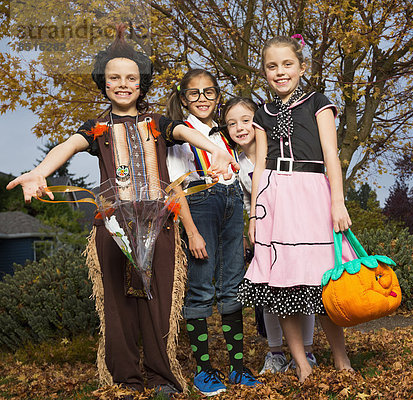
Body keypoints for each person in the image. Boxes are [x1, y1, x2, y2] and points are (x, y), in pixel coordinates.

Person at [6, 27, 239, 398]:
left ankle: (162, 378)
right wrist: (39, 172)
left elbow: (189, 134)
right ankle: (126, 380)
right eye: (114, 77)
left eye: (131, 78)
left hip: (159, 223)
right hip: (113, 226)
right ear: (104, 83)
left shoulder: (159, 123)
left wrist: (221, 153)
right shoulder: (96, 128)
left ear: (141, 84)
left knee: (159, 302)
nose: (123, 84)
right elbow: (67, 146)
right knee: (117, 304)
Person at [237, 35, 355, 384]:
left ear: (302, 67)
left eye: (287, 64)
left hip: (314, 192)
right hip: (277, 197)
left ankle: (340, 356)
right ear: (265, 72)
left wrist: (337, 202)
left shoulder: (318, 103)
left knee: (326, 280)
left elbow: (331, 155)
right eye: (272, 66)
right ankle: (301, 363)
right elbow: (258, 167)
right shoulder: (262, 113)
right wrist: (255, 215)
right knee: (283, 284)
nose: (280, 72)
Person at [165, 69, 260, 396]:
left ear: (218, 98)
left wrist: (249, 218)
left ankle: (237, 367)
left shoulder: (225, 134)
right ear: (184, 99)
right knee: (201, 290)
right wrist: (191, 231)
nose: (202, 98)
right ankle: (204, 370)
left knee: (233, 287)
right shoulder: (179, 134)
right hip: (200, 209)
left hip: (233, 208)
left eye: (209, 92)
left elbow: (245, 177)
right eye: (194, 93)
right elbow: (177, 188)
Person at [222, 97, 318, 375]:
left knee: (304, 287)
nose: (240, 128)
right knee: (269, 293)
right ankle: (275, 352)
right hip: (264, 232)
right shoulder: (236, 164)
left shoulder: (281, 152)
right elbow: (241, 201)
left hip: (295, 226)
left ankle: (307, 352)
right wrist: (244, 231)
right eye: (231, 123)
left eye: (245, 120)